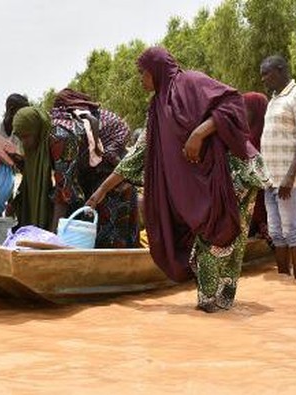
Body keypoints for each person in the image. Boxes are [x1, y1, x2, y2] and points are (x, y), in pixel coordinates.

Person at [88, 47, 268, 313]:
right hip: (202, 183)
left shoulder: (191, 82)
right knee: (209, 238)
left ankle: (213, 305)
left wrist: (199, 133)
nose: (140, 79)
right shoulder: (156, 109)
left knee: (221, 238)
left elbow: (232, 103)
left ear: (156, 69)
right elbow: (137, 156)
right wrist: (99, 193)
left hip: (235, 173)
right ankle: (215, 305)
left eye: (142, 73)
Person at [49, 88, 139, 248]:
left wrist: (54, 237)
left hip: (111, 187)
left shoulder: (62, 133)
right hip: (110, 184)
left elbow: (65, 190)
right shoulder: (90, 121)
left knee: (109, 248)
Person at [259, 55, 296, 280]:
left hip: (292, 180)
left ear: (282, 70)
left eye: (268, 74)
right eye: (262, 74)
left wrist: (289, 177)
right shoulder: (273, 99)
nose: (264, 79)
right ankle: (284, 280)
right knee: (276, 234)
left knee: (293, 232)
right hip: (271, 179)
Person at [243, 92, 271, 242]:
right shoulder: (243, 136)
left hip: (263, 200)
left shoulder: (269, 138)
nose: (243, 114)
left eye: (246, 110)